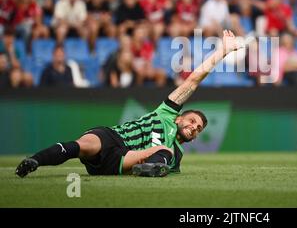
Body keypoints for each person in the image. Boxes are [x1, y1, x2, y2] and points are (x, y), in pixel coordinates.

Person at [16, 30, 242, 178]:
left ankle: (148, 170)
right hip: (113, 136)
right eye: (193, 121)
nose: (194, 128)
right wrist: (222, 51)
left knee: (164, 150)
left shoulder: (176, 153)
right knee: (83, 146)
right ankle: (34, 160)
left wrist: (161, 157)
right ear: (179, 117)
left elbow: (167, 155)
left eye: (198, 129)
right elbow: (193, 81)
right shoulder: (166, 113)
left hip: (123, 158)